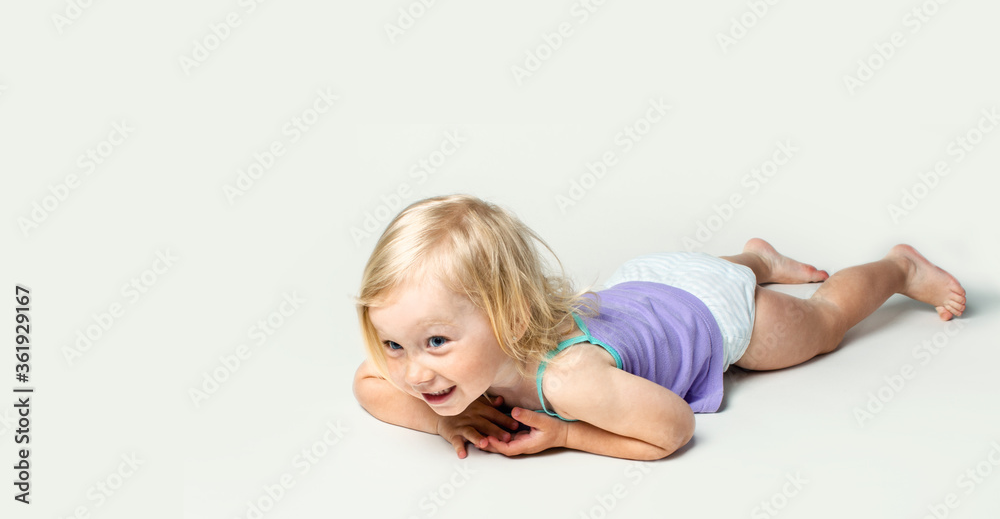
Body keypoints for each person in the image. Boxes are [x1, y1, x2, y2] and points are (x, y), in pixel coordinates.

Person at [351, 194, 966, 461]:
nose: (412, 372)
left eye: (435, 342)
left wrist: (569, 439)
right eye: (394, 344)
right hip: (640, 283)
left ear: (509, 316)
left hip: (712, 315)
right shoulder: (440, 372)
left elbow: (672, 428)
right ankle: (759, 260)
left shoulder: (568, 383)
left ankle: (897, 267)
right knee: (713, 272)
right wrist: (443, 417)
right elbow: (368, 385)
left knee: (823, 323)